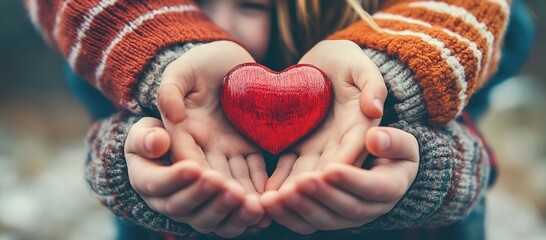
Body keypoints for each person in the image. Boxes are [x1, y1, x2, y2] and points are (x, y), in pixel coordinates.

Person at [25, 0, 513, 239]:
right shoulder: (128, 78)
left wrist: (425, 170)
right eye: (188, 3)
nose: (217, 26)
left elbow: (477, 156)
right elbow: (100, 136)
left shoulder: (438, 85)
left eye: (250, 4)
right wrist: (134, 160)